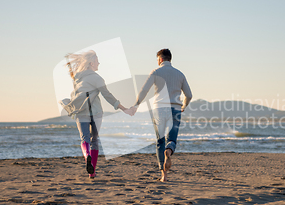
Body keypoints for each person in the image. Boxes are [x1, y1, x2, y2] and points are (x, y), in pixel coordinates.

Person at [62, 50, 133, 178]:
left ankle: (86, 155)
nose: (98, 63)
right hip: (96, 113)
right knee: (94, 140)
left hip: (81, 112)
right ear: (91, 63)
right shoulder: (97, 78)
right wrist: (123, 108)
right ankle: (92, 172)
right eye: (97, 61)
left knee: (85, 139)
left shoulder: (77, 78)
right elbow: (108, 96)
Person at [130, 49, 192, 182]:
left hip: (159, 109)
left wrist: (136, 104)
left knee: (160, 141)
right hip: (175, 109)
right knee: (172, 140)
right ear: (170, 59)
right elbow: (189, 95)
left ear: (160, 59)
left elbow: (144, 90)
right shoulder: (180, 74)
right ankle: (169, 151)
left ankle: (163, 175)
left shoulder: (156, 72)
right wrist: (184, 106)